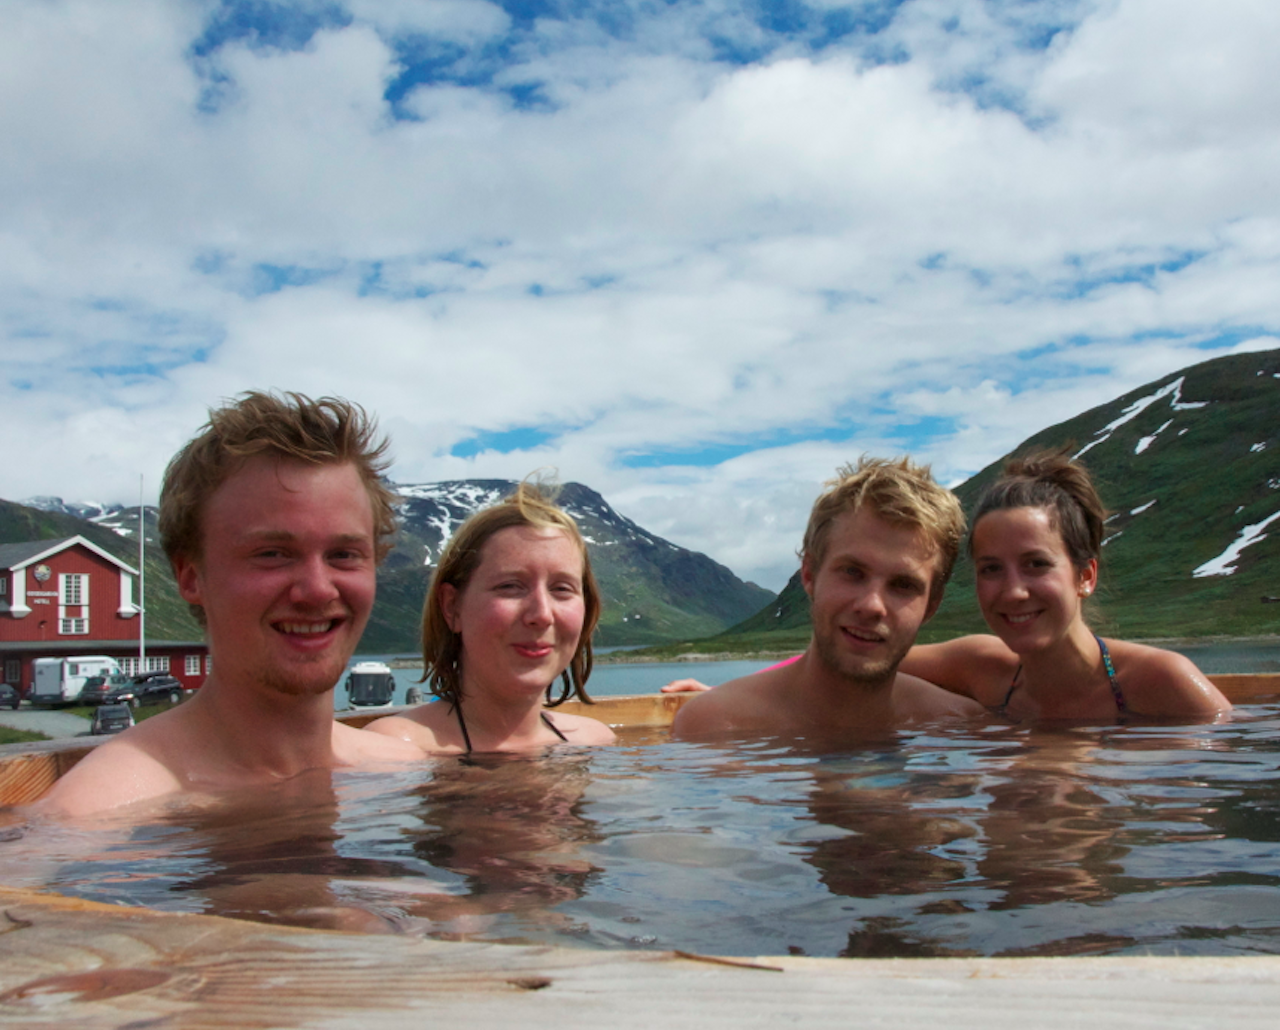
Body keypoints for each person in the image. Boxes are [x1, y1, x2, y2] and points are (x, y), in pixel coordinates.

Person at [40, 392, 425, 818]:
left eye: (344, 555)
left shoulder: (400, 773)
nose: (317, 590)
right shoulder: (98, 811)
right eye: (272, 553)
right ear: (191, 577)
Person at [899, 450, 1230, 721]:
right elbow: (864, 665)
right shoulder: (976, 665)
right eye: (991, 569)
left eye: (1037, 564)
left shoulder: (1162, 679)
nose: (1014, 591)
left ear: (1085, 577)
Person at [672, 457, 984, 742]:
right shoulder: (714, 728)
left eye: (903, 585)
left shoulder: (957, 725)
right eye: (852, 572)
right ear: (809, 574)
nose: (872, 605)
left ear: (932, 604)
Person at [365, 482, 616, 753]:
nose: (542, 615)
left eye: (562, 589)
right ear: (452, 607)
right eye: (510, 586)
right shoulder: (395, 749)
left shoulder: (595, 741)